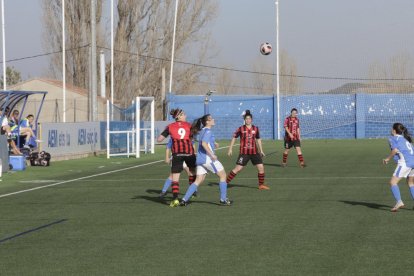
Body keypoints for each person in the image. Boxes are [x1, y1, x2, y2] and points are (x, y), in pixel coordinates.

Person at [179, 114, 231, 206]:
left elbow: (203, 141)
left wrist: (213, 142)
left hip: (200, 159)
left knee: (198, 180)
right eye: (211, 119)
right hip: (208, 159)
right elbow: (203, 143)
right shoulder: (208, 131)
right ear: (207, 122)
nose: (213, 120)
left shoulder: (202, 131)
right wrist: (212, 155)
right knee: (223, 175)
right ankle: (223, 199)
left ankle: (184, 200)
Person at [157, 108, 196, 207]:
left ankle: (175, 199)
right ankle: (189, 194)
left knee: (175, 177)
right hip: (189, 153)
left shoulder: (170, 126)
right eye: (183, 114)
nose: (185, 115)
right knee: (192, 173)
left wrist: (170, 135)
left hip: (177, 154)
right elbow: (193, 137)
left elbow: (159, 139)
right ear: (178, 116)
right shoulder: (189, 125)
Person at [226, 110, 270, 190]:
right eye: (246, 119)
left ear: (251, 119)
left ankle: (261, 185)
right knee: (238, 168)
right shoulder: (241, 128)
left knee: (261, 167)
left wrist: (261, 150)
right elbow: (234, 138)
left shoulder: (256, 128)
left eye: (249, 119)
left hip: (254, 152)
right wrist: (230, 149)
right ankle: (225, 183)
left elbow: (258, 139)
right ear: (244, 120)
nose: (248, 120)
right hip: (244, 153)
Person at [382, 123, 414, 212]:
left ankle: (399, 202)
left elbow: (395, 150)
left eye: (391, 128)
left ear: (394, 130)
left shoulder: (393, 138)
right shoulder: (405, 140)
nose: (391, 130)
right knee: (411, 183)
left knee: (393, 182)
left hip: (405, 163)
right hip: (413, 162)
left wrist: (387, 158)